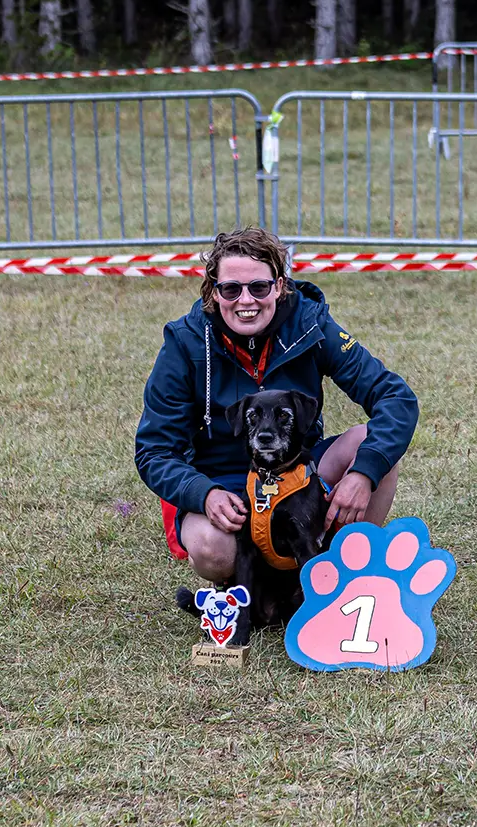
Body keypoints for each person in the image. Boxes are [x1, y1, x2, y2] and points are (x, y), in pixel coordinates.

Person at [135, 227, 418, 582]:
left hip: (302, 475)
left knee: (370, 443)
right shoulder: (184, 343)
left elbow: (397, 399)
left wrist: (364, 472)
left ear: (280, 285)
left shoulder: (311, 323)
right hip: (226, 485)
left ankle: (344, 575)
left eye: (259, 287)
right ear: (213, 291)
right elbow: (154, 451)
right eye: (231, 289)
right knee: (211, 547)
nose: (246, 300)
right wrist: (203, 493)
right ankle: (248, 591)